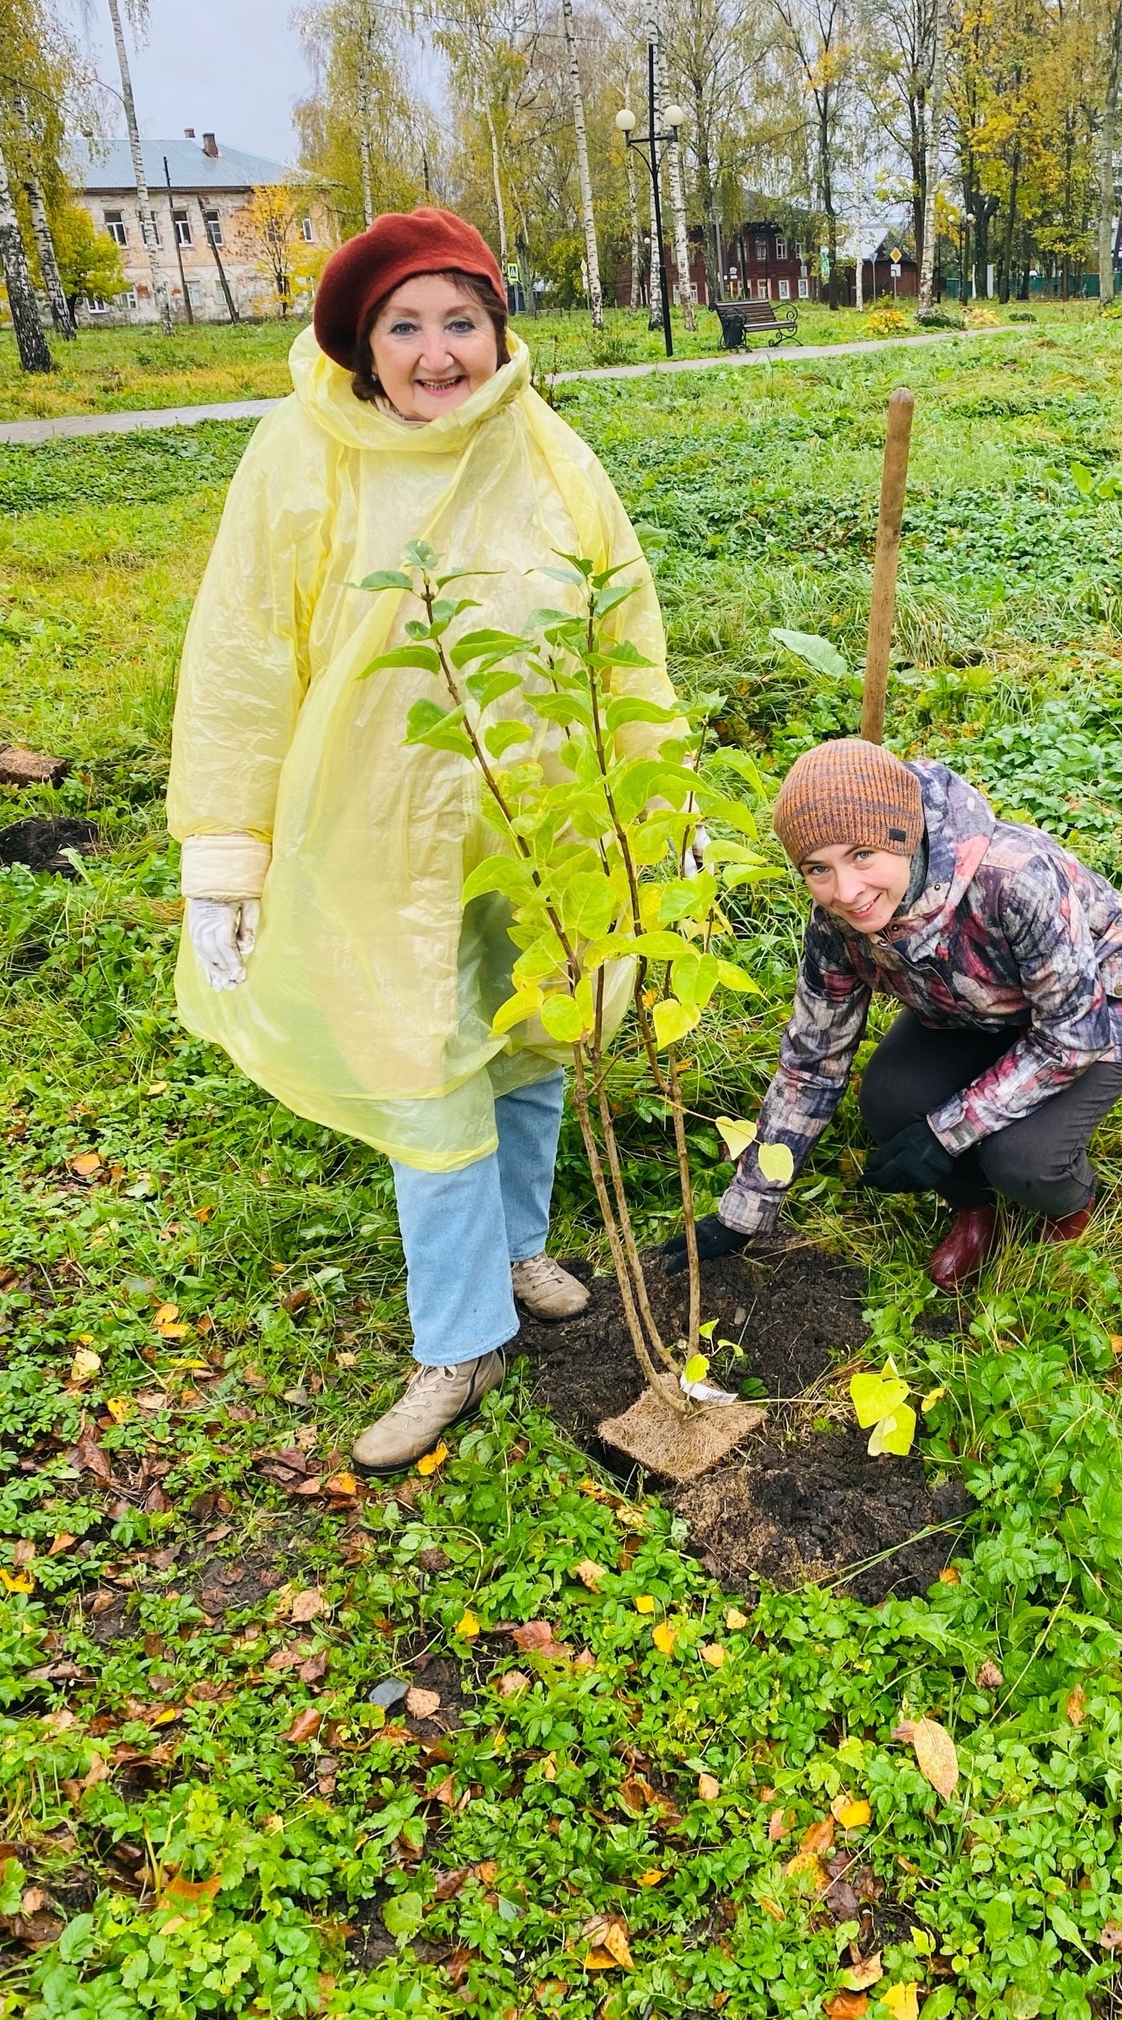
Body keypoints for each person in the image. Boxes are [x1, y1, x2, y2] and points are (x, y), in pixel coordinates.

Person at [167, 207, 681, 1471]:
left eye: (462, 321)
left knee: (537, 1033)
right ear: (364, 343)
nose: (438, 352)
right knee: (420, 1067)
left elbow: (627, 636)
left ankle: (516, 1248)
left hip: (538, 827)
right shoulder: (302, 461)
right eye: (407, 325)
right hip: (371, 838)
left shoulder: (551, 455)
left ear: (498, 333)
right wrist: (227, 854)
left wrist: (651, 816)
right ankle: (459, 1341)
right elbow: (242, 658)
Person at [682, 740, 1122, 1292]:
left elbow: (1072, 1036)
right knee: (891, 1100)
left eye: (862, 855)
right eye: (818, 868)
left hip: (1101, 1005)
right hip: (976, 1009)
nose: (846, 892)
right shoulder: (836, 924)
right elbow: (811, 1064)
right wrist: (746, 1208)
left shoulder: (1014, 878)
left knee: (1022, 1159)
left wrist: (947, 1132)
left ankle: (1070, 1207)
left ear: (906, 834)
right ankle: (976, 1207)